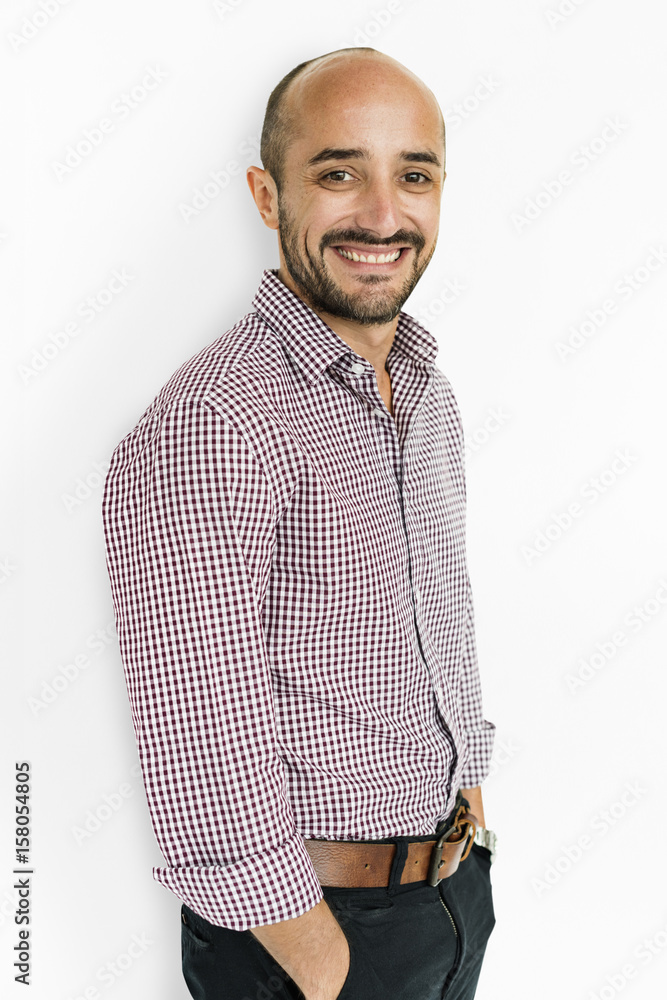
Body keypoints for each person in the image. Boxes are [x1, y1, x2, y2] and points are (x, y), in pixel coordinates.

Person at [102, 46, 497, 1000]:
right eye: (337, 171)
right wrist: (319, 965)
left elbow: (435, 619)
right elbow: (198, 721)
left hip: (448, 897)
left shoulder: (426, 394)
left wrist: (470, 802)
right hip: (311, 941)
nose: (381, 214)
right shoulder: (219, 417)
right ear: (267, 195)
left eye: (413, 174)